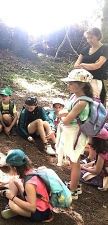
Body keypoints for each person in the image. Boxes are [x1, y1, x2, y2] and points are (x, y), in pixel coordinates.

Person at [56, 69, 93, 199]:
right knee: (72, 161)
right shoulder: (75, 96)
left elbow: (66, 121)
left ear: (82, 85)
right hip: (71, 132)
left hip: (76, 135)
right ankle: (74, 184)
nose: (69, 85)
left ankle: (72, 190)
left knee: (75, 161)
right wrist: (63, 114)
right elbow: (66, 111)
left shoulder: (82, 102)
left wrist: (61, 115)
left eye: (72, 83)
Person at [0, 149, 53, 222]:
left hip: (40, 212)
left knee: (13, 206)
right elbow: (18, 180)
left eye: (9, 167)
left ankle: (12, 207)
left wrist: (13, 198)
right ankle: (18, 205)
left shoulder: (29, 184)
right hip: (36, 201)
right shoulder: (32, 171)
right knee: (12, 181)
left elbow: (32, 208)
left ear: (14, 168)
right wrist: (6, 183)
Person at [74, 27, 108, 106]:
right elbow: (75, 66)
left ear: (98, 36)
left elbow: (97, 66)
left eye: (91, 37)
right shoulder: (85, 49)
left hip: (96, 81)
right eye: (87, 38)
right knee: (80, 103)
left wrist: (83, 65)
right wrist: (91, 65)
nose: (89, 40)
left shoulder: (104, 49)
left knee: (94, 105)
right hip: (82, 80)